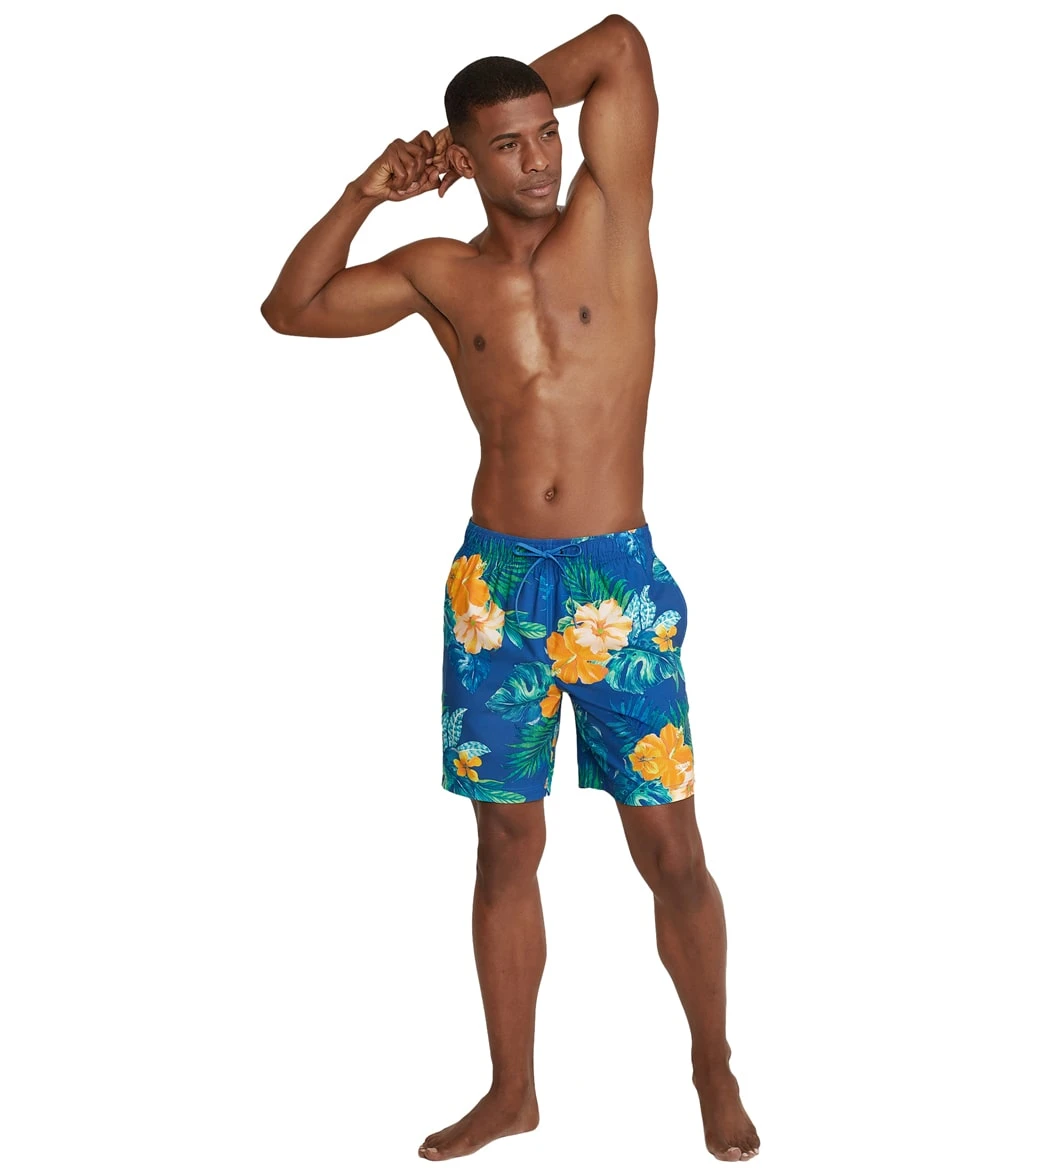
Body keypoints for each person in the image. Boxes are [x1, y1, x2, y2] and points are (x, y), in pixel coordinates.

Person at [260, 14, 760, 1164]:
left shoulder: (610, 212)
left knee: (671, 851)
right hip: (493, 590)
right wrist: (369, 191)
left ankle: (712, 1064)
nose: (539, 158)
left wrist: (499, 108)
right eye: (509, 144)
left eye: (546, 134)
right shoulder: (441, 273)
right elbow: (291, 308)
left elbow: (621, 44)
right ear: (469, 160)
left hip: (613, 585)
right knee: (503, 846)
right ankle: (512, 1090)